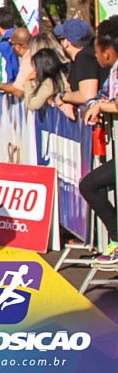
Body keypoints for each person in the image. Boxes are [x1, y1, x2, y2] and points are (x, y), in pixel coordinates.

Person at [79, 16, 118, 265]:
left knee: (90, 185)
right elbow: (100, 96)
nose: (96, 56)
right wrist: (97, 105)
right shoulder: (113, 71)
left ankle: (115, 241)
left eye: (96, 50)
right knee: (91, 185)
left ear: (108, 49)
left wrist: (102, 105)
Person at [56, 18, 105, 107]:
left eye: (61, 39)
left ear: (66, 42)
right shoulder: (87, 54)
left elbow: (87, 96)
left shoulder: (84, 57)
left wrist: (62, 96)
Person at [0, 28, 31, 97]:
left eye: (11, 44)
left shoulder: (28, 61)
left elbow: (18, 90)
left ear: (17, 47)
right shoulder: (32, 55)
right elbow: (17, 85)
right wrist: (0, 86)